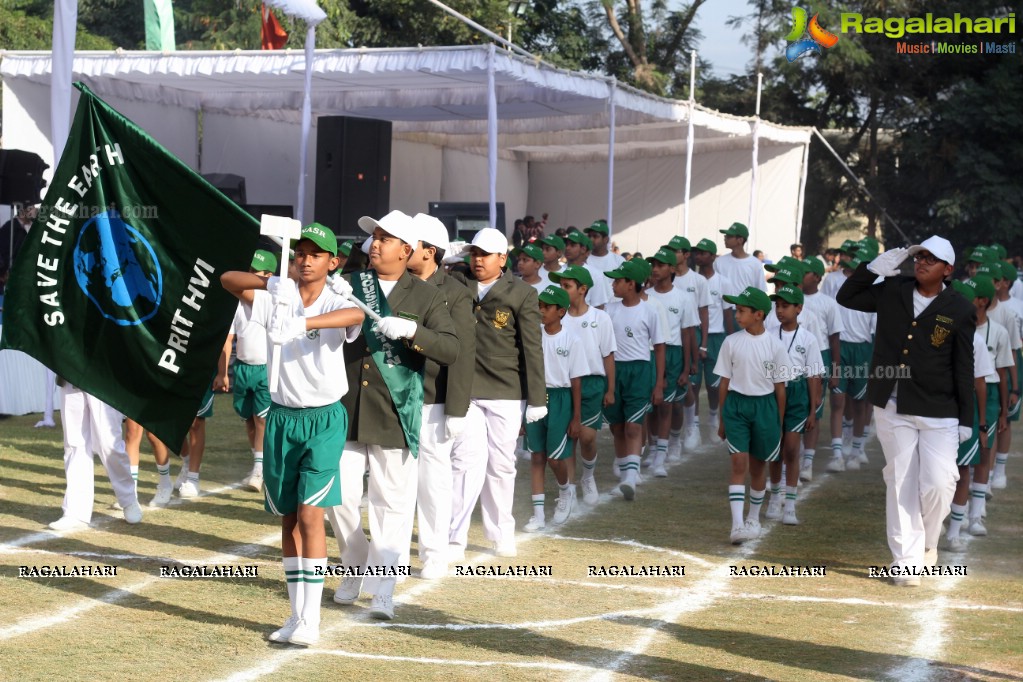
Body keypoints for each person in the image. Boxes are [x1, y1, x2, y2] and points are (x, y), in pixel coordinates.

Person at [221, 222, 365, 645]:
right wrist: (272, 281)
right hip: (281, 417)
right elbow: (228, 280)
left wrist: (302, 323)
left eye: (315, 254)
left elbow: (355, 317)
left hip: (322, 419)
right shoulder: (276, 296)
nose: (305, 259)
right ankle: (295, 615)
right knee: (288, 519)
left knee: (309, 514)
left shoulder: (339, 296)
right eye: (300, 252)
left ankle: (312, 620)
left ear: (332, 262)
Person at [328, 210, 459, 621]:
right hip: (346, 406)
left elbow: (451, 348)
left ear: (406, 250)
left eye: (384, 238)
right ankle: (355, 564)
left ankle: (384, 586)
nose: (374, 244)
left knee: (392, 505)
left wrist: (413, 333)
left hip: (394, 411)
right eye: (373, 238)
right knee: (340, 498)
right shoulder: (350, 285)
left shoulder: (425, 296)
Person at [837, 235, 975, 584]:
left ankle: (928, 542)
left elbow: (964, 366)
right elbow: (847, 296)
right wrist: (869, 271)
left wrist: (967, 419)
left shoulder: (960, 307)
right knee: (900, 480)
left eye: (931, 259)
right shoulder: (893, 290)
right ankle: (906, 562)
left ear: (947, 269)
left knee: (938, 484)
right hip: (893, 404)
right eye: (919, 256)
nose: (922, 262)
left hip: (940, 409)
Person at [449, 227, 546, 560]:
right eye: (474, 253)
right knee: (465, 462)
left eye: (485, 254)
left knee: (502, 465)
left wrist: (537, 399)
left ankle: (501, 531)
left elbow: (532, 347)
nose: (478, 260)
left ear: (503, 258)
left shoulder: (522, 293)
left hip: (506, 390)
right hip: (467, 388)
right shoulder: (459, 283)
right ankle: (454, 537)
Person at [403, 213, 475, 580]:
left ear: (428, 252)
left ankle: (433, 553)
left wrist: (456, 408)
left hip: (434, 398)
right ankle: (393, 557)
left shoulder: (456, 292)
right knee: (395, 483)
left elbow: (461, 352)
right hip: (394, 397)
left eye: (410, 244)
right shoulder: (394, 283)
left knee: (433, 481)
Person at [714, 286, 788, 544]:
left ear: (758, 314)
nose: (737, 314)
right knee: (738, 464)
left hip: (765, 408)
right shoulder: (731, 342)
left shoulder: (776, 346)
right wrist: (722, 418)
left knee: (758, 467)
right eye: (736, 310)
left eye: (742, 310)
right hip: (736, 407)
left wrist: (778, 424)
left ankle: (753, 518)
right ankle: (736, 525)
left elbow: (780, 388)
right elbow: (724, 382)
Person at [552, 265, 616, 505]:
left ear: (583, 289)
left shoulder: (601, 318)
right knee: (569, 439)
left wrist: (610, 389)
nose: (562, 290)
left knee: (587, 437)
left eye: (566, 286)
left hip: (591, 383)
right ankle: (568, 492)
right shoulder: (558, 318)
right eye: (561, 285)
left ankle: (588, 477)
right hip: (563, 384)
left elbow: (608, 355)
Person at [602, 259, 665, 500]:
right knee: (617, 426)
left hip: (640, 371)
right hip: (615, 371)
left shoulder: (650, 310)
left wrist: (659, 383)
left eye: (618, 280)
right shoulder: (610, 309)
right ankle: (625, 469)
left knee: (633, 425)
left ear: (631, 284)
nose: (613, 284)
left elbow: (659, 348)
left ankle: (630, 477)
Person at [524, 285, 586, 530]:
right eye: (539, 306)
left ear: (561, 311)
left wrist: (576, 417)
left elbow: (576, 381)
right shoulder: (533, 335)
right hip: (536, 396)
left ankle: (565, 491)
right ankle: (537, 514)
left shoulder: (572, 340)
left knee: (555, 458)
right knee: (536, 456)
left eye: (547, 307)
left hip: (560, 399)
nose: (541, 311)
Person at [764, 285, 822, 526]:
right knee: (775, 448)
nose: (780, 310)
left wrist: (812, 410)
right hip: (774, 391)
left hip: (797, 395)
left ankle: (790, 504)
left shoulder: (808, 338)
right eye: (777, 305)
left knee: (790, 447)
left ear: (799, 308)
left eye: (785, 306)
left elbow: (814, 375)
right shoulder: (768, 333)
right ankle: (774, 497)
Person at [49, 383, 143, 530]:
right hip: (70, 373)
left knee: (109, 444)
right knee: (74, 444)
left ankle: (128, 498)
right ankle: (75, 512)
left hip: (102, 375)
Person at [225, 249, 278, 493]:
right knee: (248, 419)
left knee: (262, 420)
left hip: (264, 368)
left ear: (268, 276)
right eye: (249, 272)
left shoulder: (273, 302)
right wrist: (223, 371)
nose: (249, 276)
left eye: (255, 273)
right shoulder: (237, 303)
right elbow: (229, 338)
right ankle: (258, 462)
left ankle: (260, 470)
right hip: (243, 367)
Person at [644, 247, 697, 476]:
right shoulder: (646, 296)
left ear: (672, 269)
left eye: (661, 265)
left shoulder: (683, 298)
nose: (655, 269)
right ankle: (653, 446)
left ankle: (661, 456)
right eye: (653, 265)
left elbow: (686, 333)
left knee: (667, 404)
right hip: (649, 353)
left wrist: (687, 367)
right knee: (650, 406)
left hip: (673, 353)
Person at [799, 256, 844, 481]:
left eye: (805, 272)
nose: (801, 276)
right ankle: (792, 459)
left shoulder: (828, 303)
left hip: (821, 356)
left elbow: (835, 339)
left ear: (816, 277)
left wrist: (835, 370)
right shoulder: (792, 300)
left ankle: (807, 461)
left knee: (813, 410)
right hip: (795, 355)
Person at [666, 236, 710, 453]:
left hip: (690, 335)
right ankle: (667, 439)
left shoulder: (698, 281)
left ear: (686, 254)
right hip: (670, 336)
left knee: (690, 384)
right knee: (671, 388)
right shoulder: (666, 277)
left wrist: (703, 343)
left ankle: (692, 427)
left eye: (676, 251)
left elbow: (703, 312)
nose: (673, 254)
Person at [691, 238, 735, 447]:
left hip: (717, 336)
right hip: (694, 334)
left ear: (713, 256)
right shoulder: (691, 280)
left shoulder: (723, 282)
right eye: (697, 253)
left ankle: (713, 416)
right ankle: (694, 426)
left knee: (714, 385)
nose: (699, 256)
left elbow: (728, 314)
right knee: (693, 382)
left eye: (703, 253)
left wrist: (731, 340)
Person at [563, 231, 613, 309]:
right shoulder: (557, 271)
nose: (567, 248)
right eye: (566, 244)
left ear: (583, 249)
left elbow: (598, 307)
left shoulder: (596, 275)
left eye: (572, 245)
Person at [714, 223, 767, 293]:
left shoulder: (755, 264)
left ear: (740, 240)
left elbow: (760, 291)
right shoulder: (719, 262)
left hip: (746, 304)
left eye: (729, 236)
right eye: (725, 236)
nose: (725, 238)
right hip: (724, 304)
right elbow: (714, 288)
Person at [0, 203, 37, 292]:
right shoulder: (10, 227)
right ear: (23, 210)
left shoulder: (36, 227)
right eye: (32, 207)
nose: (35, 210)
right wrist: (2, 272)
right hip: (14, 275)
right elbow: (3, 251)